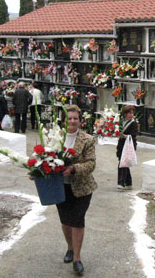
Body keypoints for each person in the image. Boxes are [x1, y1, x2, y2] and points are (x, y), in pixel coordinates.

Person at [45, 105, 97, 276]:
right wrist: (38, 173)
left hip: (81, 188)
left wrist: (73, 168)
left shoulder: (88, 139)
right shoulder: (56, 136)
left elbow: (91, 163)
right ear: (63, 120)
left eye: (75, 118)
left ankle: (77, 258)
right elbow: (46, 158)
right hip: (60, 187)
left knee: (77, 220)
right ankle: (69, 248)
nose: (72, 121)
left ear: (80, 120)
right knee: (65, 220)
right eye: (69, 118)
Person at [116, 105, 138, 190]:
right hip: (121, 145)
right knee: (124, 163)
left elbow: (133, 136)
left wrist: (122, 135)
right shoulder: (120, 122)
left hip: (129, 146)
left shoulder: (134, 123)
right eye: (129, 113)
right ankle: (129, 183)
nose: (131, 115)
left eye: (132, 113)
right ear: (124, 114)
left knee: (123, 163)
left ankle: (121, 182)